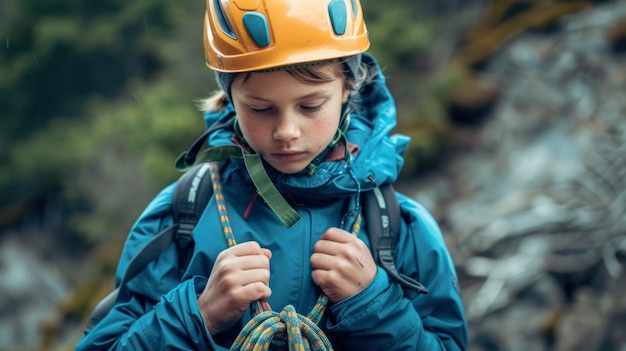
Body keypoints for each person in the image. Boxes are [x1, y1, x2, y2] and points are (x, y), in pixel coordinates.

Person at [75, 0, 468, 350]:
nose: (286, 132)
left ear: (349, 85)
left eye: (311, 106)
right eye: (261, 109)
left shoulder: (401, 227)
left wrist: (373, 305)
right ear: (230, 98)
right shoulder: (182, 213)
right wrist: (199, 316)